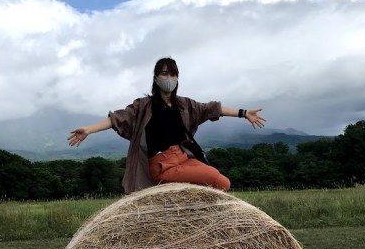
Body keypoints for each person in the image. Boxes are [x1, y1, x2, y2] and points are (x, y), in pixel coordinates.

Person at [67, 57, 267, 195]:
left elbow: (212, 108)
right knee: (214, 179)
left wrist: (243, 113)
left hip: (183, 157)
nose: (169, 78)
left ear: (178, 78)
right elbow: (117, 119)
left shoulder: (184, 105)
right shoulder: (143, 106)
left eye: (173, 74)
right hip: (162, 164)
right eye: (164, 74)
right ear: (155, 78)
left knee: (223, 183)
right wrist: (88, 130)